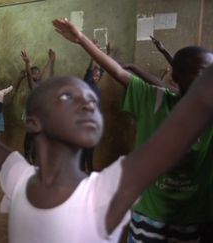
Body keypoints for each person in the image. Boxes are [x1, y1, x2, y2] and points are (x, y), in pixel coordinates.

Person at [0, 36, 213, 242]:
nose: (89, 102)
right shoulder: (18, 177)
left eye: (91, 99)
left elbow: (193, 110)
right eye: (68, 97)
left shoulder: (105, 193)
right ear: (34, 122)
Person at [52, 18, 213, 242]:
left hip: (196, 219)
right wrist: (80, 39)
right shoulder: (154, 100)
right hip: (150, 216)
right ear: (177, 78)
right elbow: (118, 72)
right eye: (203, 73)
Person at [20, 49, 56, 162]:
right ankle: (27, 155)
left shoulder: (42, 85)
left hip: (40, 116)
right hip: (31, 115)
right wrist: (27, 63)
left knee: (37, 137)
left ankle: (34, 157)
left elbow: (46, 72)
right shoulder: (33, 85)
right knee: (30, 135)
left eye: (37, 72)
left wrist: (50, 60)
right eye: (33, 72)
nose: (36, 74)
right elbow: (30, 76)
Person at [80, 41, 110, 172]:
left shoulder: (96, 87)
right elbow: (90, 68)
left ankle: (89, 169)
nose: (96, 76)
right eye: (94, 74)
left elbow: (103, 68)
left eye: (98, 76)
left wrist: (107, 54)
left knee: (90, 148)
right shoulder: (86, 83)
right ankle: (83, 171)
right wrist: (93, 52)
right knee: (83, 149)